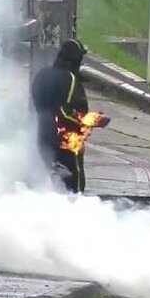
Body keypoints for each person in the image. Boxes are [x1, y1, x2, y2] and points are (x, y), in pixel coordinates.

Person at [31, 39, 109, 193]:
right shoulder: (70, 79)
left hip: (42, 136)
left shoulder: (42, 74)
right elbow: (65, 113)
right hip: (67, 140)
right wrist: (95, 120)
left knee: (50, 179)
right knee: (73, 185)